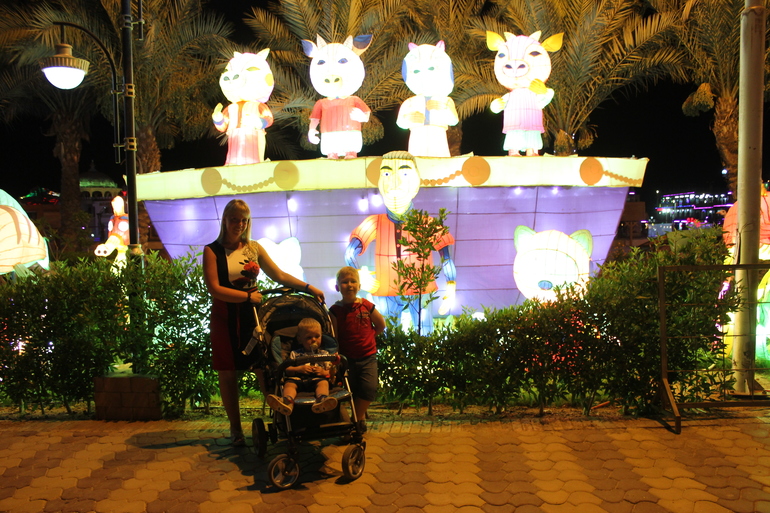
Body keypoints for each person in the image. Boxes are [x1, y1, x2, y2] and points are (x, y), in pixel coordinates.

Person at [202, 199, 325, 446]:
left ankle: (282, 419)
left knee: (264, 368)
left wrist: (308, 287)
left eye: (244, 220)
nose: (239, 224)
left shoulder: (254, 248)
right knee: (227, 373)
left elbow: (278, 274)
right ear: (225, 220)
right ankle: (236, 429)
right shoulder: (211, 250)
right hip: (225, 316)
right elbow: (214, 288)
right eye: (234, 219)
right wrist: (247, 297)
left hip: (253, 316)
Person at [329, 266, 386, 432]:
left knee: (369, 389)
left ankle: (356, 418)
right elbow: (334, 337)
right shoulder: (335, 311)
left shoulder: (367, 306)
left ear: (359, 286)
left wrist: (369, 338)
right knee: (351, 391)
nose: (349, 285)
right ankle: (356, 423)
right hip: (347, 359)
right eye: (344, 282)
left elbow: (381, 325)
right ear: (337, 287)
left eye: (353, 281)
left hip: (368, 356)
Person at [266, 318, 338, 415]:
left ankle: (322, 399)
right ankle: (287, 401)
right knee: (289, 384)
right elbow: (287, 369)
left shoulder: (324, 354)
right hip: (298, 379)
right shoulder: (295, 354)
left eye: (317, 336)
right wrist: (298, 369)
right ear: (300, 339)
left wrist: (323, 372)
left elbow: (331, 372)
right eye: (309, 337)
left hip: (317, 379)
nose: (314, 340)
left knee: (323, 383)